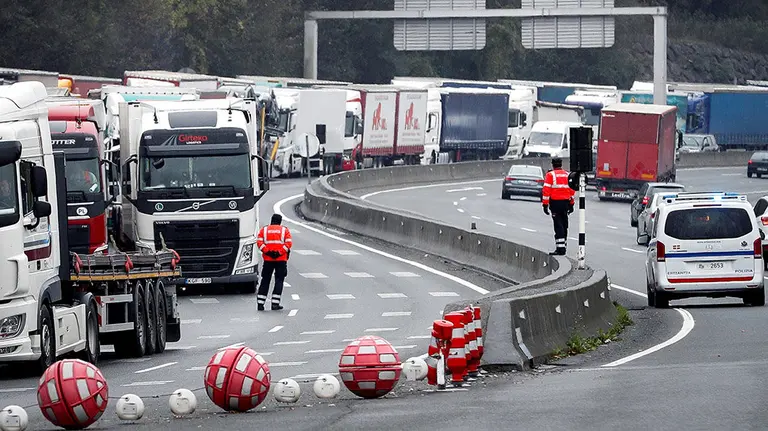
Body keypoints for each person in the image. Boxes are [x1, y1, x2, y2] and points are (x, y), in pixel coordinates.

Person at [256, 213, 292, 311]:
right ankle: (275, 304)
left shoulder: (264, 230)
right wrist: (279, 253)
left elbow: (259, 242)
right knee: (279, 280)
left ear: (271, 220)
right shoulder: (284, 230)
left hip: (268, 260)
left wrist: (268, 252)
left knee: (265, 280)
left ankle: (260, 304)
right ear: (280, 222)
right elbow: (288, 243)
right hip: (281, 260)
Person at [541, 157, 575, 255]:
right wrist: (571, 204)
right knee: (564, 225)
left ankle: (560, 249)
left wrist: (545, 205)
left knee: (558, 225)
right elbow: (571, 191)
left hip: (555, 203)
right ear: (561, 164)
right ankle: (563, 245)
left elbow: (546, 191)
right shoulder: (567, 175)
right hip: (566, 203)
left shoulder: (550, 175)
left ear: (553, 164)